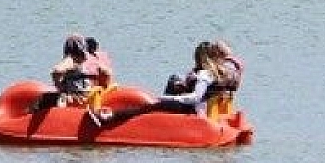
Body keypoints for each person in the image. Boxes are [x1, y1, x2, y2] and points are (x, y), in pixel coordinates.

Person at [93, 40, 227, 127]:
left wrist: (169, 98)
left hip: (189, 108)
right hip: (192, 107)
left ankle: (111, 117)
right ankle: (115, 115)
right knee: (169, 86)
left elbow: (195, 97)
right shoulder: (212, 73)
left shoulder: (204, 74)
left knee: (147, 108)